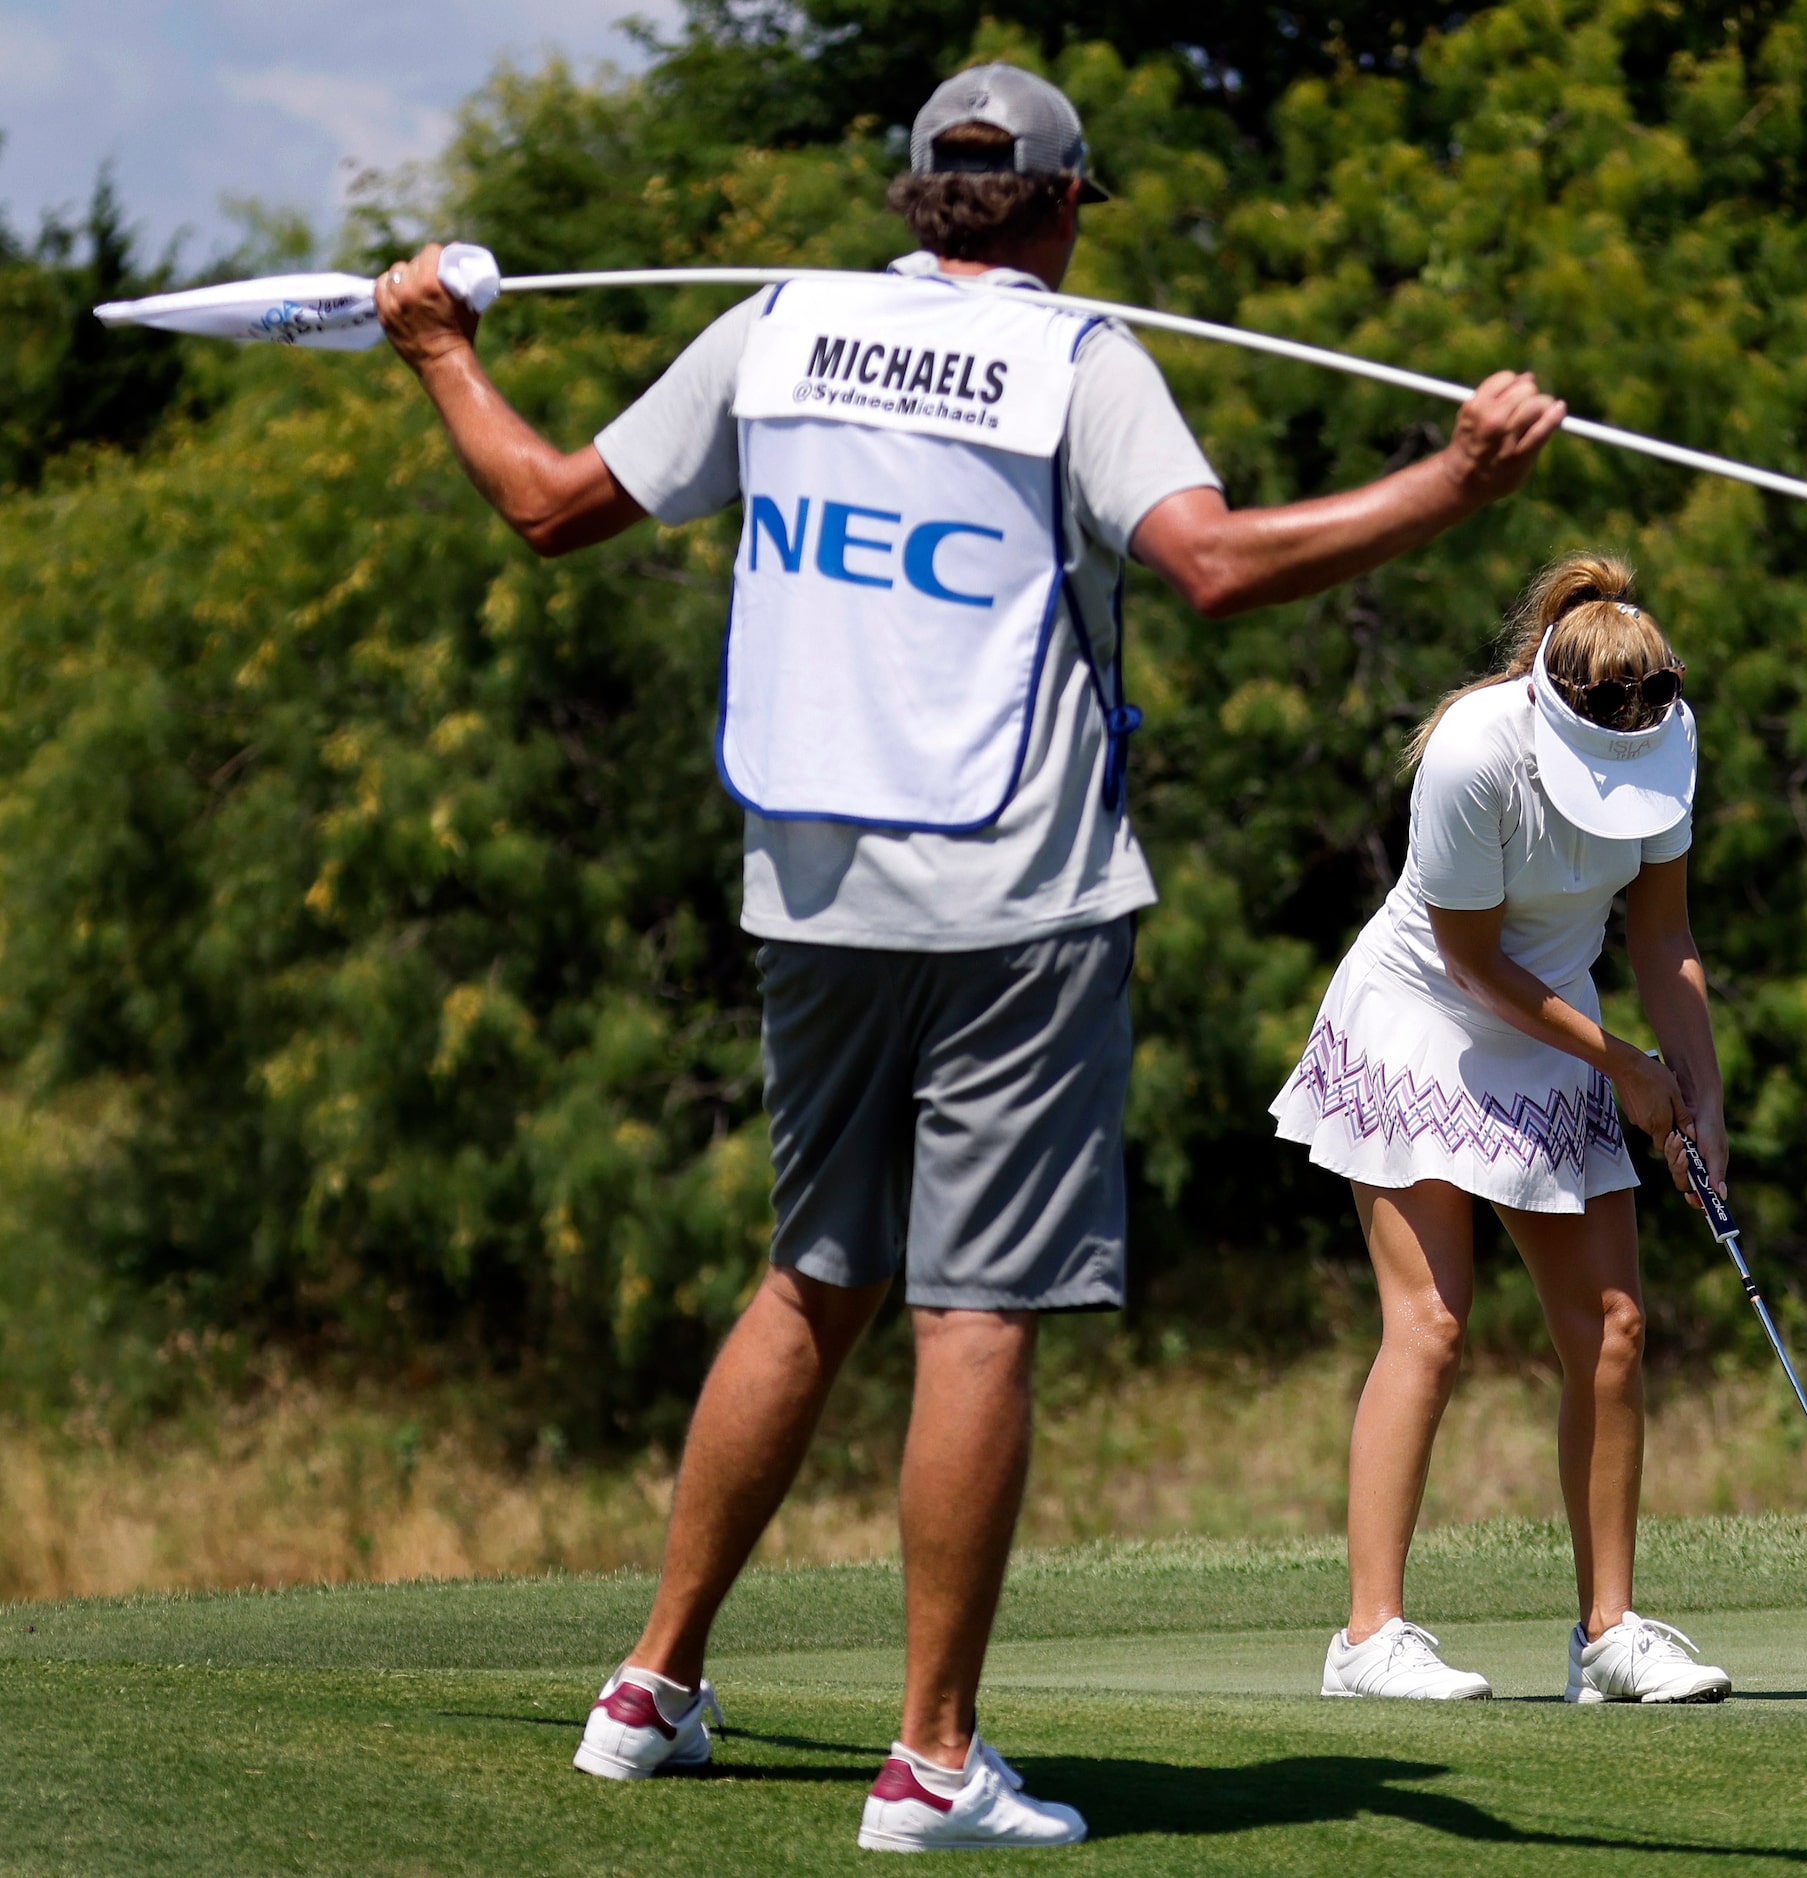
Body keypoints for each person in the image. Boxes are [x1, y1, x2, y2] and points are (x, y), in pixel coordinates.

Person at [373, 60, 1562, 1853]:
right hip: (1017, 897)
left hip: (809, 891)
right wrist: (1454, 484)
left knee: (810, 1279)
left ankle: (650, 1684)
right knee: (972, 1312)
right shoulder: (1079, 360)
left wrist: (441, 355)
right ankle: (929, 1758)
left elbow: (546, 505)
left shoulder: (773, 329)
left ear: (908, 192)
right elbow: (1220, 568)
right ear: (1068, 204)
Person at [1271, 552, 1735, 1705]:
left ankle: (1609, 1635)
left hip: (1561, 1030)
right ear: (1551, 703)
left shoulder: (1668, 737)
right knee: (1430, 1324)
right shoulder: (1476, 751)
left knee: (1615, 1326)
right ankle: (1367, 1640)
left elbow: (1663, 937)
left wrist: (1702, 1096)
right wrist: (1624, 1064)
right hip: (1423, 1015)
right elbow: (1470, 962)